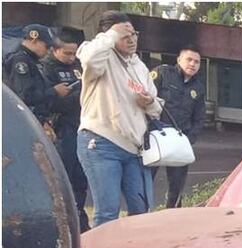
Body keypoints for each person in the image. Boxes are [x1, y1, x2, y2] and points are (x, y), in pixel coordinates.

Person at [76, 11, 161, 226]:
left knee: (142, 211)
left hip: (135, 149)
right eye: (125, 35)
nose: (132, 39)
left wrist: (149, 102)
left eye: (134, 33)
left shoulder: (139, 66)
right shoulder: (97, 55)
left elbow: (157, 108)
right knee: (107, 213)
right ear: (110, 37)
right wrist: (111, 35)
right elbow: (90, 58)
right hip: (101, 143)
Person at [40, 26, 89, 231]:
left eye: (74, 53)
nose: (71, 57)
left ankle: (79, 217)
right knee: (63, 178)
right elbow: (49, 101)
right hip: (61, 130)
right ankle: (62, 222)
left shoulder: (79, 66)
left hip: (82, 127)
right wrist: (76, 98)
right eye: (67, 53)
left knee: (81, 177)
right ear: (55, 49)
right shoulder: (46, 69)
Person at [149, 45, 205, 208]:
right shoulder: (163, 74)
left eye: (197, 62)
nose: (192, 64)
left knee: (177, 186)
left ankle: (172, 216)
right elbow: (146, 98)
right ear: (179, 60)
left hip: (180, 139)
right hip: (156, 136)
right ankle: (141, 215)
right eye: (189, 59)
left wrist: (189, 139)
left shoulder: (198, 88)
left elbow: (199, 118)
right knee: (145, 180)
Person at [3, 24, 70, 124]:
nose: (48, 51)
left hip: (36, 118)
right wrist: (54, 91)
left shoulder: (33, 61)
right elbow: (25, 96)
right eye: (46, 46)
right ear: (34, 40)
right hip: (24, 120)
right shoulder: (20, 60)